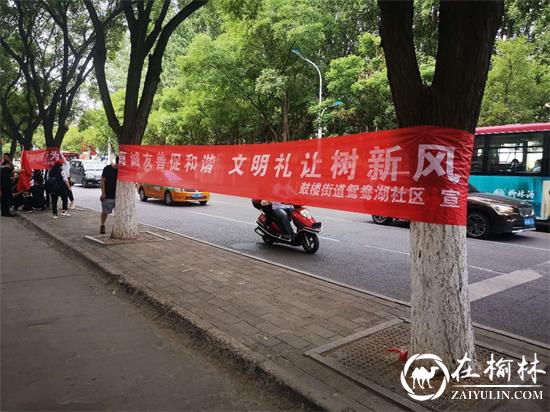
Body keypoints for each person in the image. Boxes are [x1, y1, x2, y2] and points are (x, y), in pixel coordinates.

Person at [100, 156, 118, 234]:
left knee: (118, 214)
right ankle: (102, 225)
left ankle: (117, 227)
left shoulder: (123, 170)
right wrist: (103, 193)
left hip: (119, 197)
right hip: (108, 195)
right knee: (105, 212)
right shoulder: (107, 168)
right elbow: (102, 181)